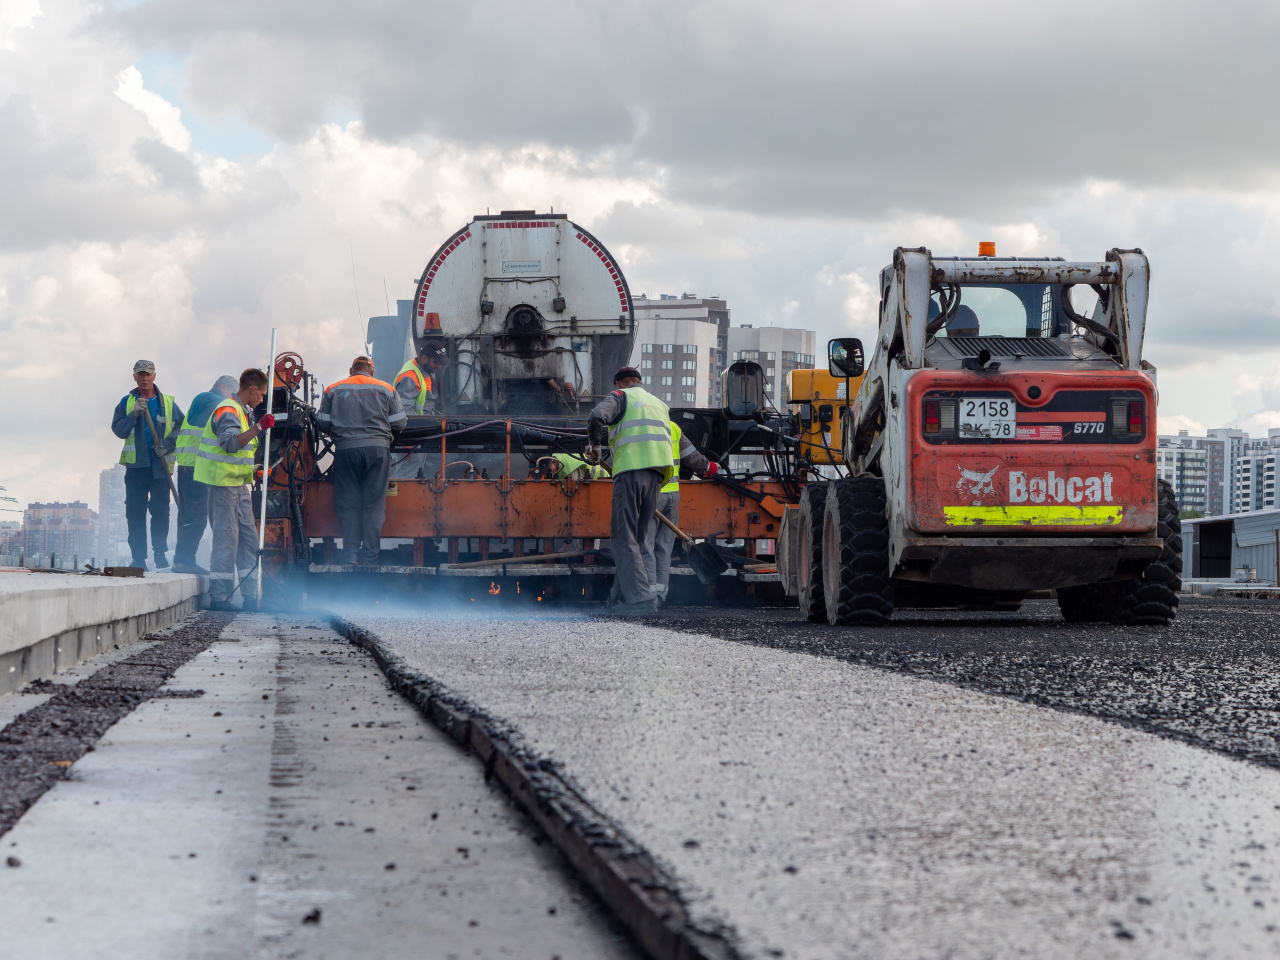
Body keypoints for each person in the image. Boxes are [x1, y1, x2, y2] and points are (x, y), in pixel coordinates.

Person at [587, 366, 674, 614]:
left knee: (623, 537)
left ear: (619, 383)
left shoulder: (621, 396)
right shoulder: (659, 404)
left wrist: (594, 444)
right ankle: (633, 596)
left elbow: (596, 416)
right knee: (638, 538)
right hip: (657, 475)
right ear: (639, 382)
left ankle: (641, 602)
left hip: (631, 470)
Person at [195, 368, 274, 611]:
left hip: (239, 486)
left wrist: (254, 470)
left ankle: (252, 597)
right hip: (223, 487)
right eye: (261, 394)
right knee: (226, 540)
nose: (262, 399)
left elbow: (238, 454)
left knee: (249, 541)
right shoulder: (228, 410)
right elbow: (230, 444)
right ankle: (219, 597)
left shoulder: (242, 411)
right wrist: (259, 428)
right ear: (252, 390)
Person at [317, 355, 406, 565]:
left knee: (349, 505)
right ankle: (369, 556)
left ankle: (351, 555)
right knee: (374, 506)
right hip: (377, 451)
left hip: (346, 451)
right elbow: (400, 424)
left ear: (351, 370)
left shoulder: (333, 389)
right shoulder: (387, 389)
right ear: (372, 371)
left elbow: (321, 424)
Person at [111, 359, 185, 570]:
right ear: (134, 376)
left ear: (154, 376)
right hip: (136, 469)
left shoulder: (168, 403)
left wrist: (168, 444)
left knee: (161, 512)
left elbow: (183, 428)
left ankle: (160, 554)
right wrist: (133, 414)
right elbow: (119, 431)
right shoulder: (126, 402)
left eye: (148, 374)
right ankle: (139, 558)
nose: (144, 378)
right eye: (140, 374)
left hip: (160, 468)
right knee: (135, 513)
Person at [643, 421, 719, 604]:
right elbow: (691, 457)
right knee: (664, 548)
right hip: (673, 496)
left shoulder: (645, 427)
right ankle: (660, 595)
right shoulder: (674, 427)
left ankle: (647, 595)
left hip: (654, 495)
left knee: (646, 546)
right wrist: (709, 467)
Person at [172, 375, 239, 574]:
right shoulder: (206, 398)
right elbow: (228, 409)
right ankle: (183, 561)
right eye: (232, 394)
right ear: (224, 387)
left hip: (195, 466)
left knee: (193, 515)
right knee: (195, 515)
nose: (233, 399)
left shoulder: (209, 402)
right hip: (192, 466)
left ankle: (184, 560)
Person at [390, 340, 448, 480]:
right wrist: (407, 443)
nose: (438, 366)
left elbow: (423, 406)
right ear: (424, 358)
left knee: (415, 475)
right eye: (436, 362)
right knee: (405, 477)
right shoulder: (410, 377)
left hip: (419, 434)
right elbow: (403, 413)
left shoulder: (425, 371)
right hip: (410, 437)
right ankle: (399, 502)